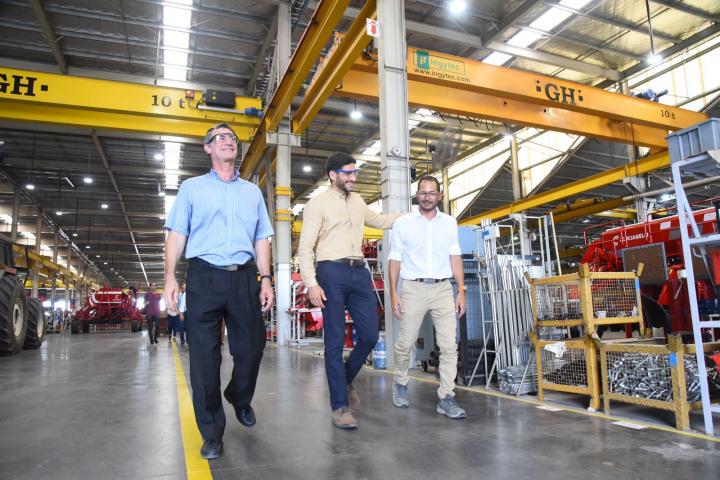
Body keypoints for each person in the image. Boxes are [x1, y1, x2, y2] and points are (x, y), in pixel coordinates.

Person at [163, 123, 274, 460]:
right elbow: (177, 233)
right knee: (204, 359)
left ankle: (239, 396)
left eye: (232, 138)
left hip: (243, 277)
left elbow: (261, 238)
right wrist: (169, 276)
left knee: (252, 347)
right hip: (204, 277)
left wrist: (266, 278)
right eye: (220, 138)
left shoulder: (252, 192)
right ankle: (212, 432)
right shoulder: (192, 188)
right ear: (208, 148)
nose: (228, 142)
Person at [297, 152, 403, 429]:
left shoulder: (357, 201)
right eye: (348, 173)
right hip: (330, 271)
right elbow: (305, 247)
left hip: (359, 272)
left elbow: (379, 221)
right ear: (333, 175)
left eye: (355, 172)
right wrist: (311, 283)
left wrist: (410, 217)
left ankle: (344, 378)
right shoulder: (317, 204)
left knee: (369, 334)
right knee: (334, 341)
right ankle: (339, 407)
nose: (353, 178)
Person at [388, 175, 467, 419]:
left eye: (432, 193)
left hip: (443, 288)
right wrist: (393, 293)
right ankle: (400, 382)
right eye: (423, 192)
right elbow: (395, 259)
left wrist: (461, 290)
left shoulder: (450, 223)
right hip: (413, 288)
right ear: (417, 195)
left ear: (440, 196)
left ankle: (447, 397)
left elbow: (455, 257)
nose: (427, 196)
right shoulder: (403, 223)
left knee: (449, 346)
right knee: (405, 343)